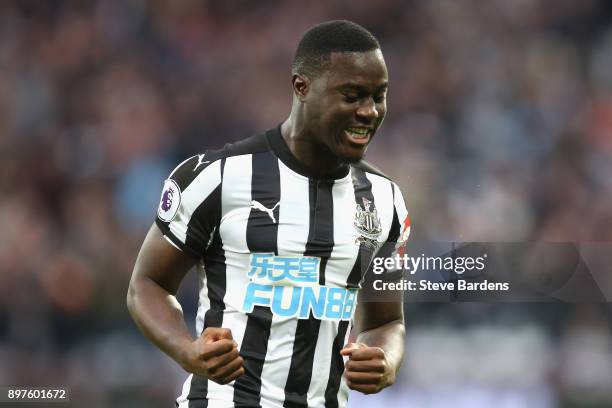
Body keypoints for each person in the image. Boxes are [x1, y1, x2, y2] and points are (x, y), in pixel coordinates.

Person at [127, 20, 410, 408]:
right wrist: (186, 350)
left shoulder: (384, 200)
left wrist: (385, 360)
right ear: (302, 88)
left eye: (379, 96)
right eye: (352, 95)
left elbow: (386, 322)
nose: (369, 111)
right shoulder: (218, 177)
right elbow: (147, 284)